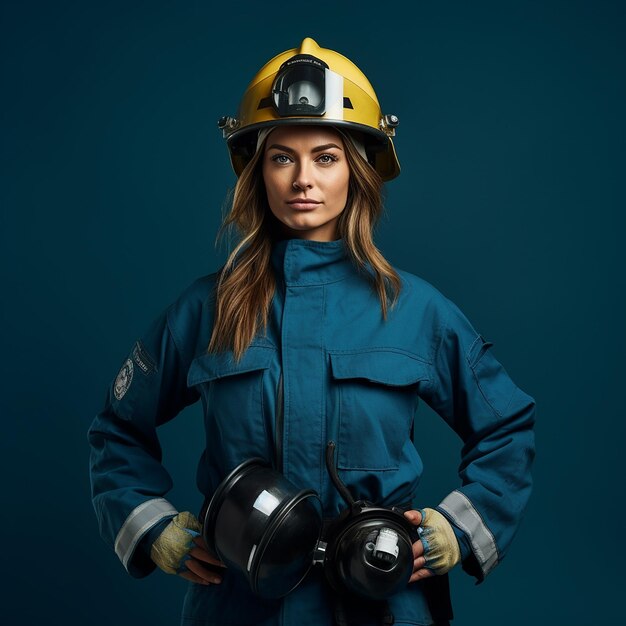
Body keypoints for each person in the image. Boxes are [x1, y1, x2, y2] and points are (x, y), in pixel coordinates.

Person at [88, 37, 536, 626]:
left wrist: (455, 529)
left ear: (358, 170)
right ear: (258, 172)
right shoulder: (207, 309)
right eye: (281, 157)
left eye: (325, 156)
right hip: (238, 606)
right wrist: (153, 528)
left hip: (382, 604)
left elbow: (507, 427)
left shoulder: (413, 309)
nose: (303, 179)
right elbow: (116, 432)